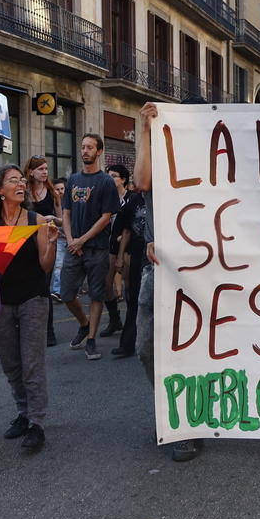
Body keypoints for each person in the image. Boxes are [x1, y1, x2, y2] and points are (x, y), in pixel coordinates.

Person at [135, 101, 203, 461]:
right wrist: (146, 130)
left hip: (206, 270)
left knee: (194, 349)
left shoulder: (219, 161)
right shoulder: (160, 154)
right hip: (159, 267)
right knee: (147, 348)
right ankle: (173, 409)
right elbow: (141, 182)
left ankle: (187, 422)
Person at [0, 164, 58, 449]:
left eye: (22, 180)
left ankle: (37, 422)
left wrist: (52, 244)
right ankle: (23, 413)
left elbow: (45, 266)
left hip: (33, 298)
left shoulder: (36, 220)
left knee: (32, 363)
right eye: (14, 180)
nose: (21, 184)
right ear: (0, 190)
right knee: (11, 364)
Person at [61, 134, 121, 361]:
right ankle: (84, 325)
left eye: (90, 147)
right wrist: (70, 240)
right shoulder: (73, 180)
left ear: (99, 152)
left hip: (96, 248)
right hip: (74, 247)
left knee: (97, 294)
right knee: (66, 293)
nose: (85, 151)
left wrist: (82, 240)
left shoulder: (106, 181)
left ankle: (92, 339)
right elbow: (66, 213)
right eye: (83, 147)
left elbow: (106, 218)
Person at [25, 156, 63, 347]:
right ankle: (28, 329)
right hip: (26, 245)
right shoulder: (24, 193)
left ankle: (49, 330)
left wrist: (52, 219)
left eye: (46, 168)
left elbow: (62, 220)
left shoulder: (52, 193)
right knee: (27, 288)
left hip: (47, 244)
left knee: (44, 288)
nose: (44, 172)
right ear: (31, 172)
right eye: (40, 169)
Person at [111, 177, 146, 358]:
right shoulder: (134, 201)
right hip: (138, 252)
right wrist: (120, 257)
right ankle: (127, 344)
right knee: (133, 298)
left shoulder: (164, 198)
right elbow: (126, 230)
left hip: (160, 253)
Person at [100, 163, 135, 338]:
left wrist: (124, 237)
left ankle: (131, 323)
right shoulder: (106, 197)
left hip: (127, 246)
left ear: (123, 179)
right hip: (109, 245)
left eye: (114, 176)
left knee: (129, 285)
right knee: (105, 285)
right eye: (108, 175)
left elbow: (134, 223)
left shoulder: (131, 198)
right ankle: (115, 319)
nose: (110, 179)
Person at [50, 177, 67, 301]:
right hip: (59, 238)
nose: (60, 191)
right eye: (57, 189)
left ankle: (70, 290)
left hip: (70, 237)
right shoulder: (52, 203)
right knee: (59, 265)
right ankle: (57, 291)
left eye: (62, 188)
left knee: (70, 266)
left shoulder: (69, 202)